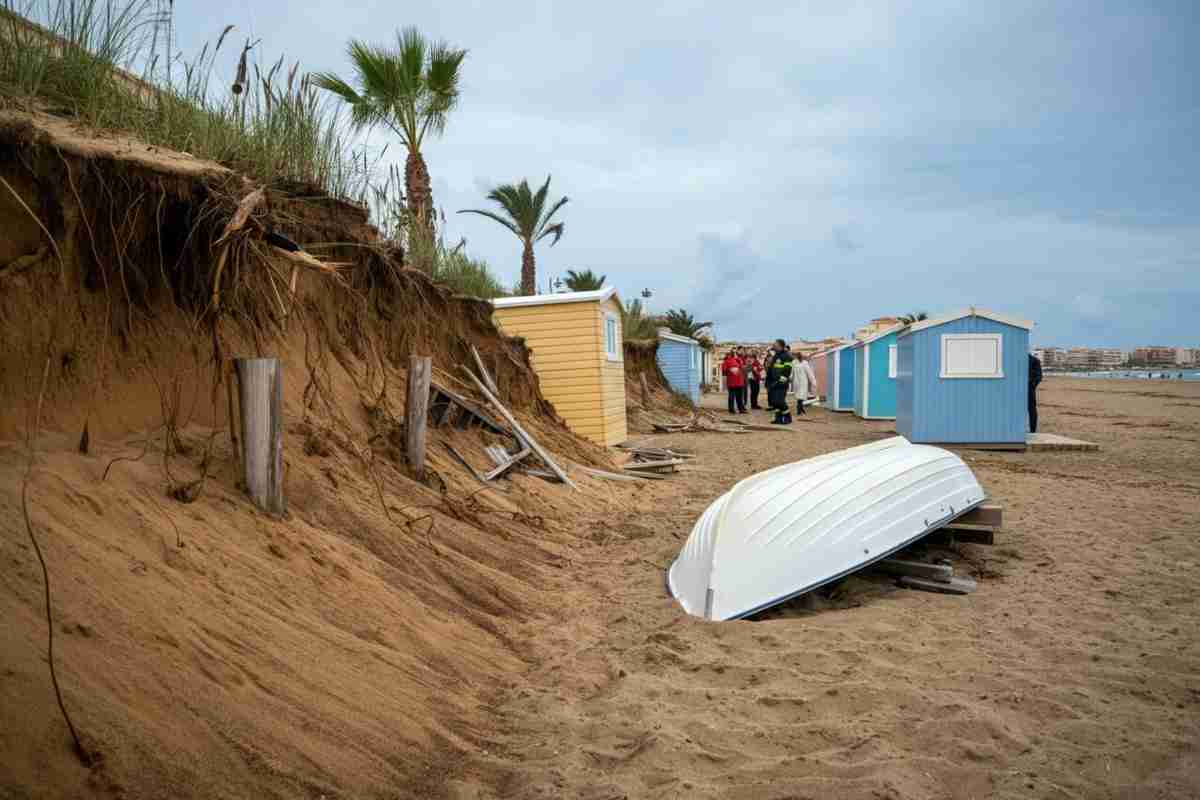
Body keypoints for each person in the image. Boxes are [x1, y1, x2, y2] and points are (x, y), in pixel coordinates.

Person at [764, 339, 794, 424]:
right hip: (773, 382)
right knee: (774, 402)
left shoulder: (786, 356)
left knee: (779, 401)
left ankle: (788, 417)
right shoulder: (776, 356)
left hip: (781, 383)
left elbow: (787, 369)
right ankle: (778, 418)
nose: (773, 346)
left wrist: (782, 380)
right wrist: (768, 380)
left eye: (775, 344)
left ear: (780, 346)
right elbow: (771, 369)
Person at [791, 351, 818, 415]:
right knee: (798, 396)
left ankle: (799, 409)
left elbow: (809, 373)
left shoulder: (805, 363)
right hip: (796, 382)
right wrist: (790, 378)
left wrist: (813, 381)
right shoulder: (793, 363)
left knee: (801, 396)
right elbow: (792, 372)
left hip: (803, 382)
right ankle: (801, 409)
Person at [1028, 351, 1043, 433]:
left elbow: (1038, 377)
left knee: (1031, 409)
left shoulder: (1035, 360)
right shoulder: (1035, 360)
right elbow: (1039, 377)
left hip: (1028, 388)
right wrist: (1032, 385)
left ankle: (1033, 430)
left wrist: (1032, 386)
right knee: (1032, 409)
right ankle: (1033, 430)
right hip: (1029, 388)